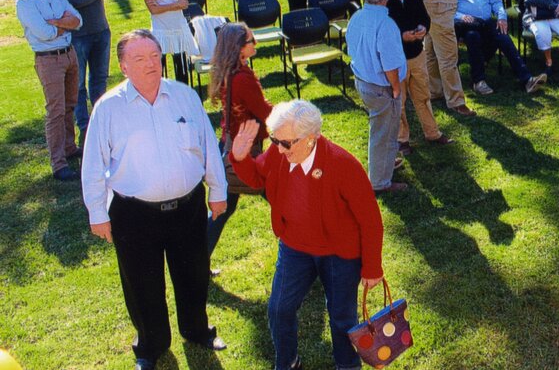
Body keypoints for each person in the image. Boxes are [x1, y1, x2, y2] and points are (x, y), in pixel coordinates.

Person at [81, 30, 229, 370]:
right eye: (139, 59)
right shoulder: (108, 108)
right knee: (142, 284)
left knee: (193, 274)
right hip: (134, 214)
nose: (151, 64)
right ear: (123, 67)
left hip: (188, 208)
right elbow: (93, 165)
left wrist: (217, 192)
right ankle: (150, 345)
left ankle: (197, 330)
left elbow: (207, 145)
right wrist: (97, 214)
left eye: (154, 56)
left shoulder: (184, 96)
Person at [227, 100, 384, 370]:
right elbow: (257, 177)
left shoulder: (342, 164)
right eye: (275, 140)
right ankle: (288, 363)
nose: (278, 149)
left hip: (339, 253)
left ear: (311, 138)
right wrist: (240, 158)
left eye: (286, 143)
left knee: (341, 319)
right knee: (279, 309)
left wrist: (371, 266)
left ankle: (347, 366)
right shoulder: (280, 154)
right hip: (295, 246)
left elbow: (370, 220)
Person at [205, 22, 273, 262]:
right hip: (244, 151)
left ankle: (198, 262)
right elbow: (265, 112)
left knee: (223, 208)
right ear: (238, 48)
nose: (255, 44)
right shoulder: (242, 78)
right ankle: (308, 251)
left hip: (229, 144)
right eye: (250, 41)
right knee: (280, 196)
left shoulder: (228, 72)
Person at [49, 0, 118, 147]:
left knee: (99, 80)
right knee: (78, 87)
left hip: (101, 31)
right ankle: (85, 128)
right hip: (78, 36)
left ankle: (101, 123)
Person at [15, 0, 81, 181]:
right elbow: (44, 34)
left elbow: (78, 20)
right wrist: (64, 25)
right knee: (56, 110)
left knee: (70, 104)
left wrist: (58, 23)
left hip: (69, 54)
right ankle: (58, 163)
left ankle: (70, 148)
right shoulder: (25, 2)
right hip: (48, 59)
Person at [346, 0, 410, 194]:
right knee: (384, 133)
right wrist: (395, 88)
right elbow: (389, 64)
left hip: (363, 81)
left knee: (380, 129)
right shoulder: (386, 24)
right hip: (381, 87)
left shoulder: (356, 18)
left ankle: (384, 164)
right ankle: (380, 182)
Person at [383, 0, 453, 154]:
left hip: (417, 54)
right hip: (396, 60)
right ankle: (402, 140)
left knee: (423, 96)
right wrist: (401, 36)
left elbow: (424, 17)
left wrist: (423, 27)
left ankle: (432, 133)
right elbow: (382, 30)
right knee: (399, 101)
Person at [454, 0, 548, 93]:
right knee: (473, 37)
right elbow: (447, 8)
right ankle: (478, 82)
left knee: (503, 36)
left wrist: (502, 16)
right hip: (466, 25)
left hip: (485, 23)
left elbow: (497, 3)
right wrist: (461, 16)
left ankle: (527, 79)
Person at [138, 0, 199, 84]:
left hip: (178, 27)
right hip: (160, 29)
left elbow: (184, 3)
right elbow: (153, 9)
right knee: (160, 71)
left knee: (182, 72)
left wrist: (164, 6)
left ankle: (183, 99)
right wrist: (174, 5)